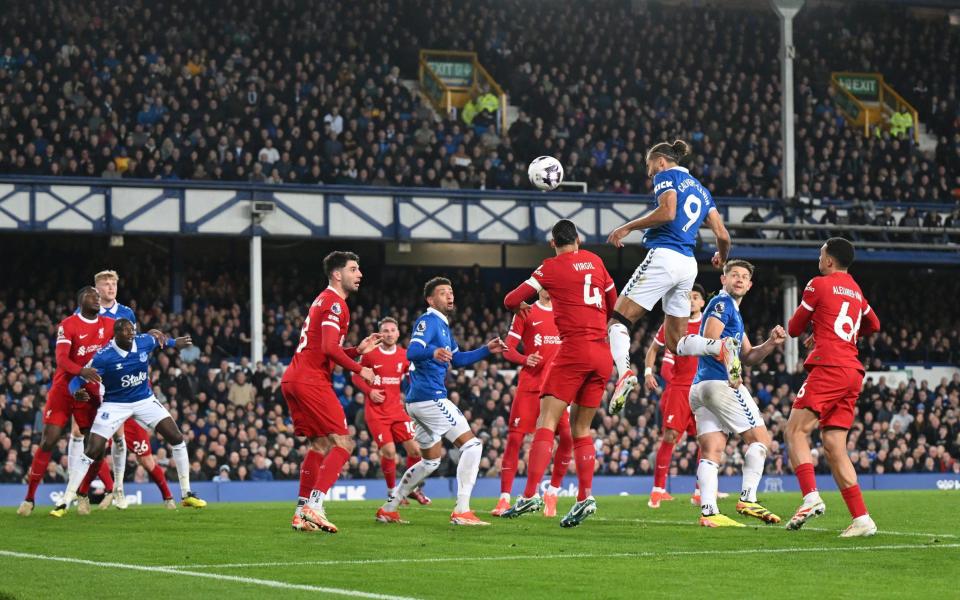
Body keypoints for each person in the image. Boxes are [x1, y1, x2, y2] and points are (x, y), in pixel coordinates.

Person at [605, 139, 735, 415]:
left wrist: (627, 227)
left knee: (618, 321)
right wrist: (721, 257)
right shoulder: (701, 191)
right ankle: (720, 347)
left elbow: (668, 212)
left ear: (661, 161)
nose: (649, 172)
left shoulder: (666, 176)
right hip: (689, 264)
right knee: (676, 344)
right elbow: (723, 235)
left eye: (649, 165)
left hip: (664, 256)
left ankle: (624, 373)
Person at [501, 219, 617, 528]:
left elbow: (510, 300)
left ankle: (528, 495)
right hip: (602, 353)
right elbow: (612, 301)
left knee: (546, 421)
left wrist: (522, 306)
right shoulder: (595, 260)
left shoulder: (550, 267)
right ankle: (585, 497)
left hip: (574, 350)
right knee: (581, 430)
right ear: (578, 239)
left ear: (553, 244)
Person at [375, 277, 507, 526]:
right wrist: (432, 352)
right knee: (473, 446)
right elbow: (413, 351)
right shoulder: (429, 322)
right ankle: (462, 510)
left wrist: (486, 350)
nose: (450, 296)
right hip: (430, 397)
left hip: (418, 401)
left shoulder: (444, 327)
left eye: (451, 291)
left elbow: (456, 361)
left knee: (431, 460)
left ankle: (389, 508)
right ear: (430, 299)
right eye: (443, 292)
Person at [50, 319, 206, 516]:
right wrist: (75, 392)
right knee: (93, 449)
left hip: (144, 400)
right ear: (116, 334)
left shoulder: (143, 341)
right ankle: (65, 500)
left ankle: (186, 494)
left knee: (177, 438)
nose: (130, 333)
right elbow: (76, 379)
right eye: (125, 331)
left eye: (132, 329)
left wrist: (175, 343)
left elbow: (160, 341)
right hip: (115, 405)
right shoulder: (104, 357)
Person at [785, 238, 881, 537]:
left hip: (829, 367)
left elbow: (793, 328)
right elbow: (873, 325)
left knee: (794, 431)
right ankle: (862, 518)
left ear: (828, 261)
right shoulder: (855, 290)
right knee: (834, 446)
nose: (819, 258)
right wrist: (844, 338)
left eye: (820, 254)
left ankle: (810, 497)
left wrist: (818, 332)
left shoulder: (818, 284)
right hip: (852, 371)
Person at [280, 251, 381, 533]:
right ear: (337, 274)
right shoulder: (336, 304)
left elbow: (323, 350)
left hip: (294, 378)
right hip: (311, 381)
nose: (359, 274)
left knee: (320, 445)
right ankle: (316, 504)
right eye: (353, 269)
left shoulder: (322, 301)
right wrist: (361, 368)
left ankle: (301, 512)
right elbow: (328, 349)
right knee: (344, 444)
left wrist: (357, 351)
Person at [688, 260, 785, 527]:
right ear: (724, 280)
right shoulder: (722, 304)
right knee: (760, 440)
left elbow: (749, 356)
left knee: (712, 450)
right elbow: (709, 341)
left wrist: (771, 343)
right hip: (721, 383)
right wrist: (732, 369)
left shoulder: (734, 312)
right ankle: (748, 498)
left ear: (750, 285)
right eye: (734, 275)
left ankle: (709, 512)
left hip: (701, 387)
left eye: (744, 277)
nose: (739, 280)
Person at [18, 287, 111, 517]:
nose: (97, 299)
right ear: (81, 300)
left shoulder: (108, 325)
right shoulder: (68, 325)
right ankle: (29, 498)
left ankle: (82, 493)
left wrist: (157, 337)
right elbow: (61, 359)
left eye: (99, 297)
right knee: (48, 441)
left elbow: (128, 340)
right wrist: (83, 371)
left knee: (96, 448)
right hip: (63, 389)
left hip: (89, 391)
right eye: (93, 296)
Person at [492, 287, 571, 518]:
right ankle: (504, 498)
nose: (549, 290)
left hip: (557, 388)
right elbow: (507, 349)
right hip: (530, 387)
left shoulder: (565, 313)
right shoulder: (525, 312)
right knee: (515, 439)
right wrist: (525, 359)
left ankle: (553, 492)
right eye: (544, 285)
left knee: (567, 438)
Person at [68, 270, 136, 509]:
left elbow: (133, 346)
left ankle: (118, 488)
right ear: (96, 289)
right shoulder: (85, 313)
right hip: (91, 377)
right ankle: (74, 487)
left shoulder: (126, 312)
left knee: (119, 436)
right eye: (106, 284)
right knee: (80, 432)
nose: (111, 287)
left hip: (115, 381)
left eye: (114, 283)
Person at [350, 317, 430, 506]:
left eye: (392, 330)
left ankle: (410, 488)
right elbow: (356, 376)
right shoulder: (370, 354)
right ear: (380, 333)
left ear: (398, 333)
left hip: (397, 411)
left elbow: (411, 378)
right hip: (376, 412)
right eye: (385, 331)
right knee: (389, 452)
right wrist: (370, 391)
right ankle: (392, 490)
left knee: (416, 450)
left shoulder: (404, 355)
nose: (389, 334)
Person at [643, 283, 706, 508]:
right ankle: (658, 490)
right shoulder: (673, 323)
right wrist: (648, 371)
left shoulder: (709, 323)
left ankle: (701, 492)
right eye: (688, 296)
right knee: (670, 437)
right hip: (679, 388)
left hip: (703, 388)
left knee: (705, 440)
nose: (691, 300)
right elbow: (653, 350)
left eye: (695, 297)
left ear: (702, 303)